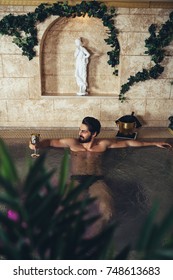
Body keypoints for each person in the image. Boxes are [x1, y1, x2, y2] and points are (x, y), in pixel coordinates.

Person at [29, 117, 172, 235]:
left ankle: (97, 238)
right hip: (77, 180)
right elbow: (50, 142)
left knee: (107, 210)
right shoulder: (72, 143)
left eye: (84, 131)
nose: (80, 133)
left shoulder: (103, 144)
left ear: (94, 134)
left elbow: (128, 142)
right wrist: (35, 144)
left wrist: (154, 143)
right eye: (80, 130)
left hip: (96, 180)